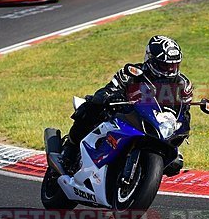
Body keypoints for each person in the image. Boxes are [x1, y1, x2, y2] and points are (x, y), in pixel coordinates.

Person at [61, 35, 193, 173]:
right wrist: (109, 96)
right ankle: (70, 148)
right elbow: (110, 88)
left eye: (174, 65)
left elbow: (184, 111)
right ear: (150, 60)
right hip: (125, 115)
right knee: (92, 106)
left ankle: (143, 172)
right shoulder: (133, 72)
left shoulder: (183, 84)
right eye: (164, 65)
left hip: (155, 126)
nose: (170, 70)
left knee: (175, 163)